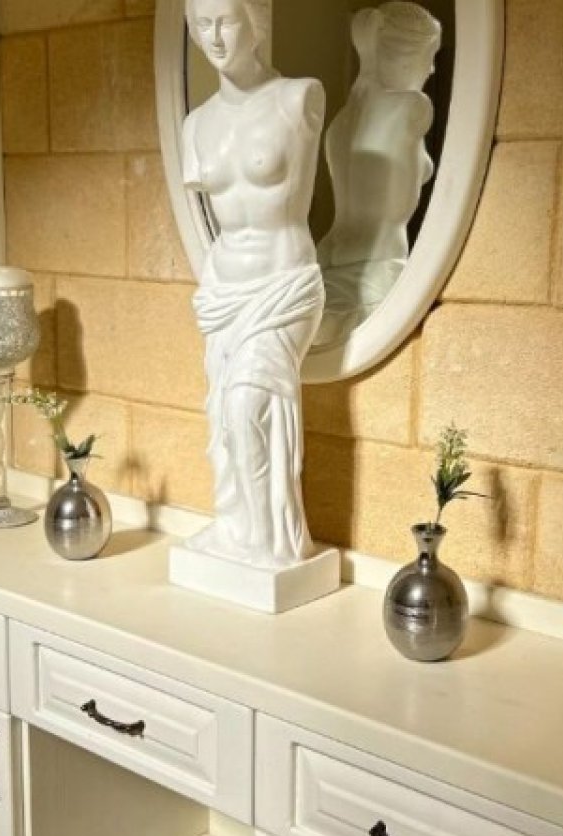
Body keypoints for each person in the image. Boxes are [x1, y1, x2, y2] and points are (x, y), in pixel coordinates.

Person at [181, 0, 327, 568]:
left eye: (226, 21)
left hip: (282, 284)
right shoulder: (197, 125)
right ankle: (237, 530)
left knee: (248, 406)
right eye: (202, 25)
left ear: (255, 21)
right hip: (225, 292)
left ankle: (266, 541)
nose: (214, 37)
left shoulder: (299, 98)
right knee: (226, 419)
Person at [315, 2, 442, 346]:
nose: (431, 69)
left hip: (329, 260)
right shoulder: (413, 107)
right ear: (405, 57)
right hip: (380, 265)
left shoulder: (341, 121)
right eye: (429, 56)